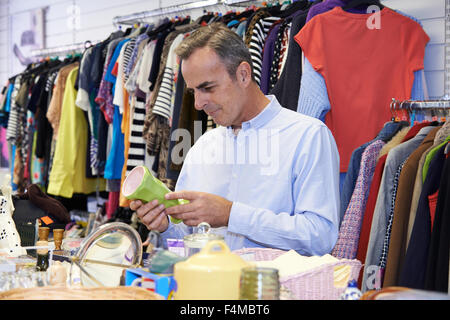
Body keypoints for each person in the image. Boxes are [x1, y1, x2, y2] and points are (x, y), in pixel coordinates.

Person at [130, 23, 340, 256]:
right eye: (193, 92)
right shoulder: (203, 147)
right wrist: (166, 227)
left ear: (243, 74)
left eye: (207, 88)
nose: (198, 104)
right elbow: (187, 243)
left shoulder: (307, 136)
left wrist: (231, 214)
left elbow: (320, 237)